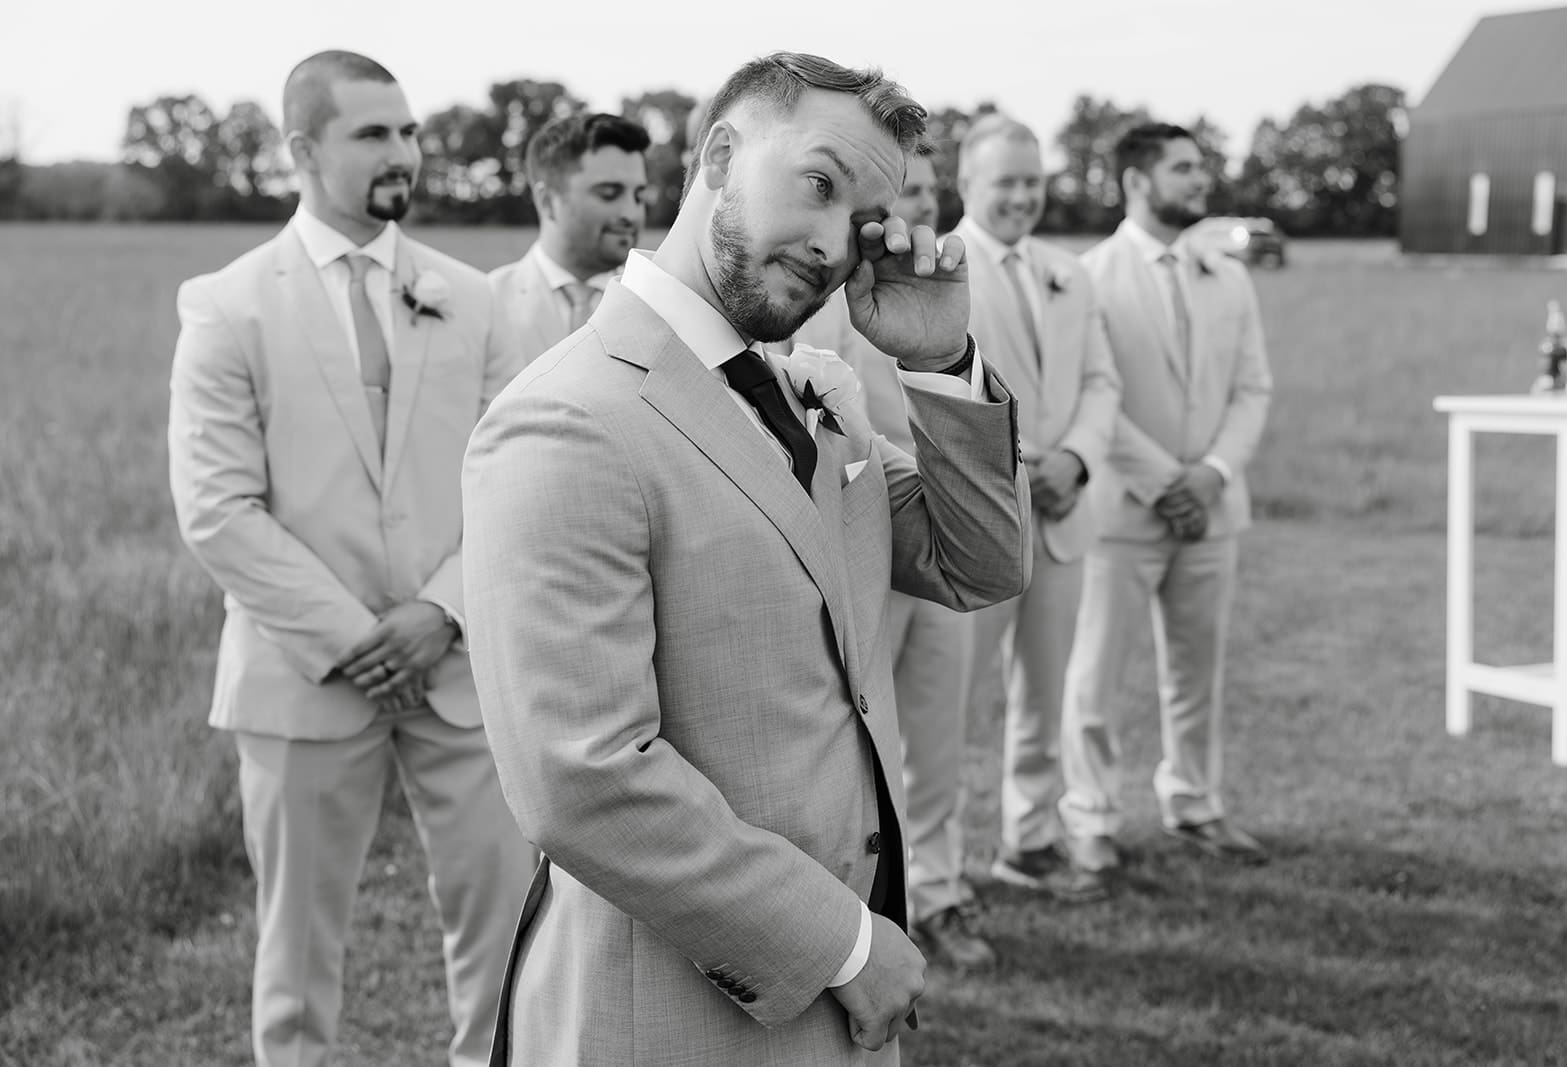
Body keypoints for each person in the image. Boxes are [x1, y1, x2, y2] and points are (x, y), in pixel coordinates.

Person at [461, 51, 1031, 1066]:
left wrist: (939, 360)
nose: (833, 244)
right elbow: (580, 777)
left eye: (863, 218)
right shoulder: (565, 418)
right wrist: (845, 944)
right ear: (720, 156)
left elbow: (979, 561)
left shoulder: (818, 393)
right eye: (817, 183)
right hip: (667, 1014)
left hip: (841, 1009)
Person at [167, 50, 530, 1067]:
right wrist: (359, 638)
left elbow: (512, 479)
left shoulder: (473, 298)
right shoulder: (228, 304)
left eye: (409, 131)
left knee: (507, 931)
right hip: (301, 673)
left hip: (459, 664)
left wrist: (441, 612)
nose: (403, 152)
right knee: (296, 953)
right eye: (373, 133)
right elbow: (217, 509)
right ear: (302, 149)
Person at [792, 150, 993, 970]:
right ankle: (866, 911)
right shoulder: (830, 290)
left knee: (940, 734)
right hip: (860, 542)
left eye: (930, 189)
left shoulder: (954, 281)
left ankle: (940, 891)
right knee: (863, 744)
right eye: (904, 192)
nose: (921, 204)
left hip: (944, 531)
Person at [1064, 122, 1274, 872]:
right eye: (1183, 168)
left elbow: (1252, 388)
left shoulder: (1229, 275)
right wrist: (1163, 481)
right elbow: (1092, 395)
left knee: (1197, 672)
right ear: (1136, 181)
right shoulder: (1089, 276)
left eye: (1200, 166)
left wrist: (1212, 473)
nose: (1199, 180)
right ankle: (1091, 816)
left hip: (1213, 508)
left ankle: (1194, 801)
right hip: (1122, 509)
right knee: (1097, 674)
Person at [950, 115, 1122, 897]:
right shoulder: (942, 269)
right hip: (980, 515)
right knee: (947, 705)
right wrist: (1026, 463)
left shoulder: (1069, 272)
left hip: (1063, 513)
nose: (1023, 196)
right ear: (967, 184)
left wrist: (1077, 458)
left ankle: (1031, 839)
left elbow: (1101, 380)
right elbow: (941, 392)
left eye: (1033, 181)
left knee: (1044, 694)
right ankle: (932, 870)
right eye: (1006, 182)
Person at [489, 112, 651, 366]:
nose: (631, 214)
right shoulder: (488, 302)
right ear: (547, 200)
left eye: (638, 196)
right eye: (609, 194)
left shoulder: (657, 307)